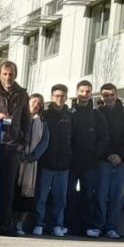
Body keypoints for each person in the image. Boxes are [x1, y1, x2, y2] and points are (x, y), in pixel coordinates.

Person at [0, 61, 31, 236]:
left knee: (8, 187)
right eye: (5, 74)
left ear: (15, 74)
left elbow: (26, 121)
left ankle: (4, 222)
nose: (8, 77)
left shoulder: (22, 94)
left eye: (11, 74)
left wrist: (22, 143)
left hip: (12, 145)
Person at [67, 80, 109, 238]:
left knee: (89, 195)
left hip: (90, 162)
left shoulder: (97, 115)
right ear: (77, 92)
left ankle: (88, 226)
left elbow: (104, 137)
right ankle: (69, 225)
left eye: (88, 92)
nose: (84, 95)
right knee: (68, 195)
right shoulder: (70, 112)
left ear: (91, 94)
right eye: (82, 91)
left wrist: (95, 153)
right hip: (71, 162)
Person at [32, 85, 72, 237]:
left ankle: (57, 224)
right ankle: (38, 223)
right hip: (46, 162)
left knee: (60, 198)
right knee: (41, 196)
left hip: (64, 163)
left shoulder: (70, 116)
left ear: (66, 97)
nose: (59, 98)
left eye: (62, 96)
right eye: (56, 95)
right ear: (51, 96)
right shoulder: (45, 115)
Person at [97, 83, 124, 239]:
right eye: (106, 95)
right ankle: (98, 225)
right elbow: (97, 138)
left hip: (121, 161)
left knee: (116, 196)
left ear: (116, 95)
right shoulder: (98, 113)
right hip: (103, 160)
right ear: (101, 97)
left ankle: (111, 227)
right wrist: (107, 155)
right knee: (100, 194)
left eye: (112, 94)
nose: (109, 98)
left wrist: (120, 155)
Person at [17, 94, 50, 234]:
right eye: (34, 101)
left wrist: (32, 156)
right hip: (17, 160)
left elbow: (44, 142)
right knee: (14, 191)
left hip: (32, 164)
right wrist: (19, 152)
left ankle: (20, 223)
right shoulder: (19, 118)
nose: (36, 104)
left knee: (27, 196)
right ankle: (8, 221)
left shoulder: (42, 122)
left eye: (39, 103)